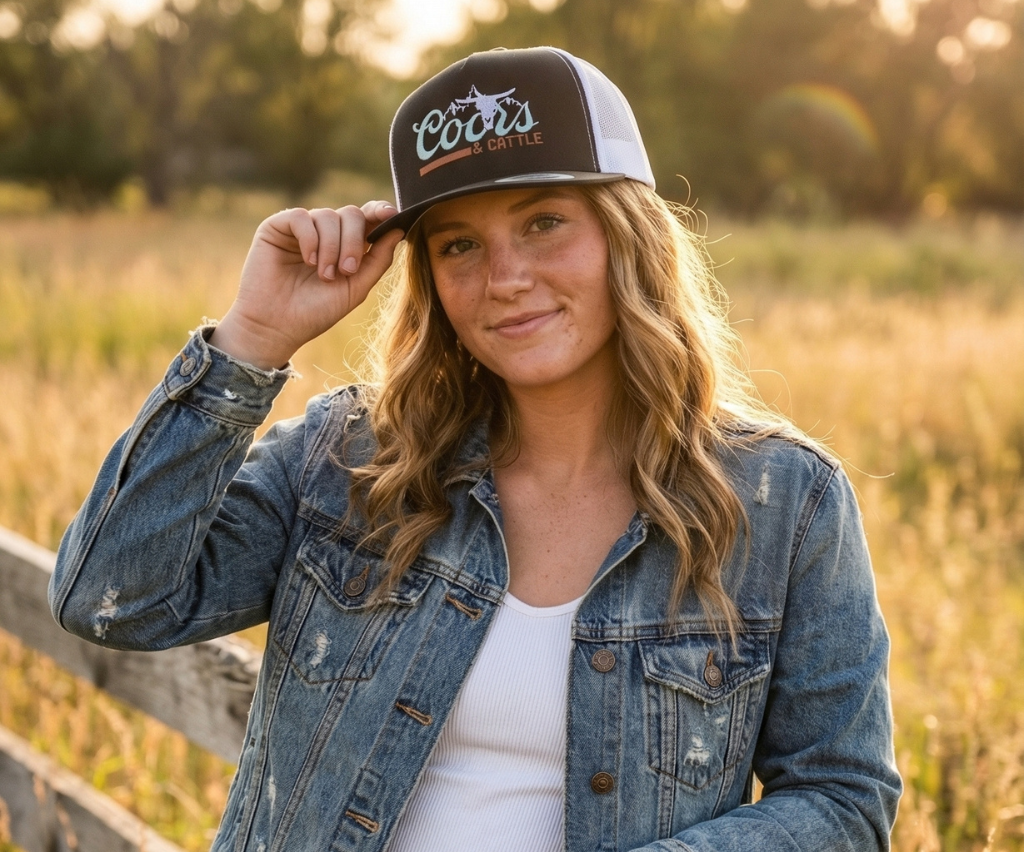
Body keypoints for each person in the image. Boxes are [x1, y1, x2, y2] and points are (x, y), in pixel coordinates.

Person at [49, 46, 901, 852]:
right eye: (459, 244)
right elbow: (110, 599)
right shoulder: (347, 461)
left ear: (627, 237)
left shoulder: (783, 504)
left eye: (544, 223)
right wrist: (254, 339)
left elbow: (840, 799)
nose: (505, 278)